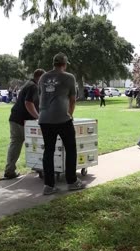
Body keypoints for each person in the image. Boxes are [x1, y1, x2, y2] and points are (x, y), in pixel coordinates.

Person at [38, 53, 85, 195]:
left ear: (54, 63)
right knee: (71, 148)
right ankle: (72, 181)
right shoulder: (69, 77)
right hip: (61, 118)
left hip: (44, 119)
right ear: (64, 64)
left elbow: (42, 96)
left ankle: (49, 186)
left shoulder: (43, 77)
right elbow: (72, 100)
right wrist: (70, 114)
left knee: (49, 151)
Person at [4, 69, 46, 179]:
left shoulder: (27, 84)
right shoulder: (33, 86)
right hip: (24, 121)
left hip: (14, 118)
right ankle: (39, 166)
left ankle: (9, 170)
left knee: (15, 143)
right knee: (36, 143)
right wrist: (38, 117)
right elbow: (28, 103)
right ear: (40, 78)